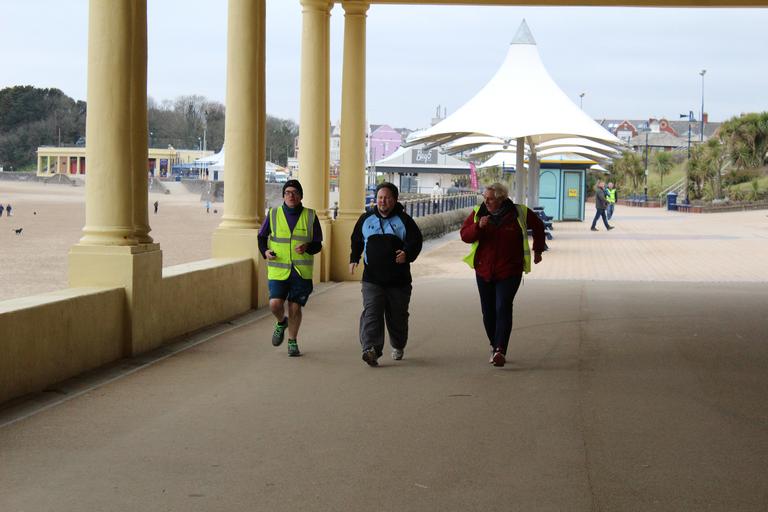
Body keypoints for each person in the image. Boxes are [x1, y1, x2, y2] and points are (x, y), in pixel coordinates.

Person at [460, 183, 546, 367]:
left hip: (510, 271)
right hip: (484, 271)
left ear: (501, 199)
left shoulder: (519, 212)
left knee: (503, 307)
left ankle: (500, 349)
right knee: (488, 312)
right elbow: (465, 235)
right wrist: (478, 226)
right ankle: (494, 344)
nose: (486, 202)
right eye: (485, 198)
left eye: (490, 199)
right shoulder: (479, 212)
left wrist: (538, 250)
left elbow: (539, 226)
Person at [350, 182, 423, 367]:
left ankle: (398, 345)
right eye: (380, 197)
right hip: (372, 278)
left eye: (387, 198)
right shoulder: (366, 219)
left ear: (395, 200)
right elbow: (357, 239)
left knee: (397, 317)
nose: (383, 201)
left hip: (399, 281)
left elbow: (416, 242)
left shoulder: (405, 220)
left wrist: (407, 254)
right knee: (371, 313)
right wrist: (354, 258)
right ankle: (371, 349)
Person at [257, 179, 322, 357]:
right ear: (283, 196)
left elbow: (318, 244)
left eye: (295, 193)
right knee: (275, 304)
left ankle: (292, 341)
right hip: (278, 270)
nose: (291, 196)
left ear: (301, 196)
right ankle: (281, 322)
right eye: (287, 193)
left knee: (295, 307)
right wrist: (265, 251)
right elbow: (261, 237)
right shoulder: (273, 214)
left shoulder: (310, 216)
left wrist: (307, 247)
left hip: (301, 272)